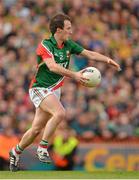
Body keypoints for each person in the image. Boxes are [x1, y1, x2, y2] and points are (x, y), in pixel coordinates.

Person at [9, 13, 121, 171]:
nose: (71, 31)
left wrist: (108, 60)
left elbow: (89, 54)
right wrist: (75, 75)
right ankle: (43, 147)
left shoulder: (68, 44)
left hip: (54, 90)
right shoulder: (45, 45)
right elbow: (53, 67)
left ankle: (16, 151)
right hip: (39, 88)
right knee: (60, 113)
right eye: (68, 28)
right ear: (58, 30)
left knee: (35, 129)